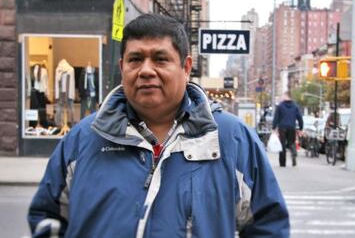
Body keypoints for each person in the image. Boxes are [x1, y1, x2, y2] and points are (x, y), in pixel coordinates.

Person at [27, 14, 289, 237]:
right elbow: (47, 215)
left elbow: (268, 224)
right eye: (135, 59)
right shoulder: (84, 138)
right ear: (122, 67)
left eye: (160, 59)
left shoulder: (233, 140)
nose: (146, 70)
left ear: (186, 68)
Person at [272, 91, 304, 167]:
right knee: (291, 143)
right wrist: (301, 127)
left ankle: (282, 163)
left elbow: (276, 118)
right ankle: (293, 153)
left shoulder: (280, 106)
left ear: (286, 96)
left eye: (283, 95)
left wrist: (274, 127)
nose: (282, 97)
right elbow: (299, 117)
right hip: (292, 127)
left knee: (282, 145)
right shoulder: (295, 106)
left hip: (282, 127)